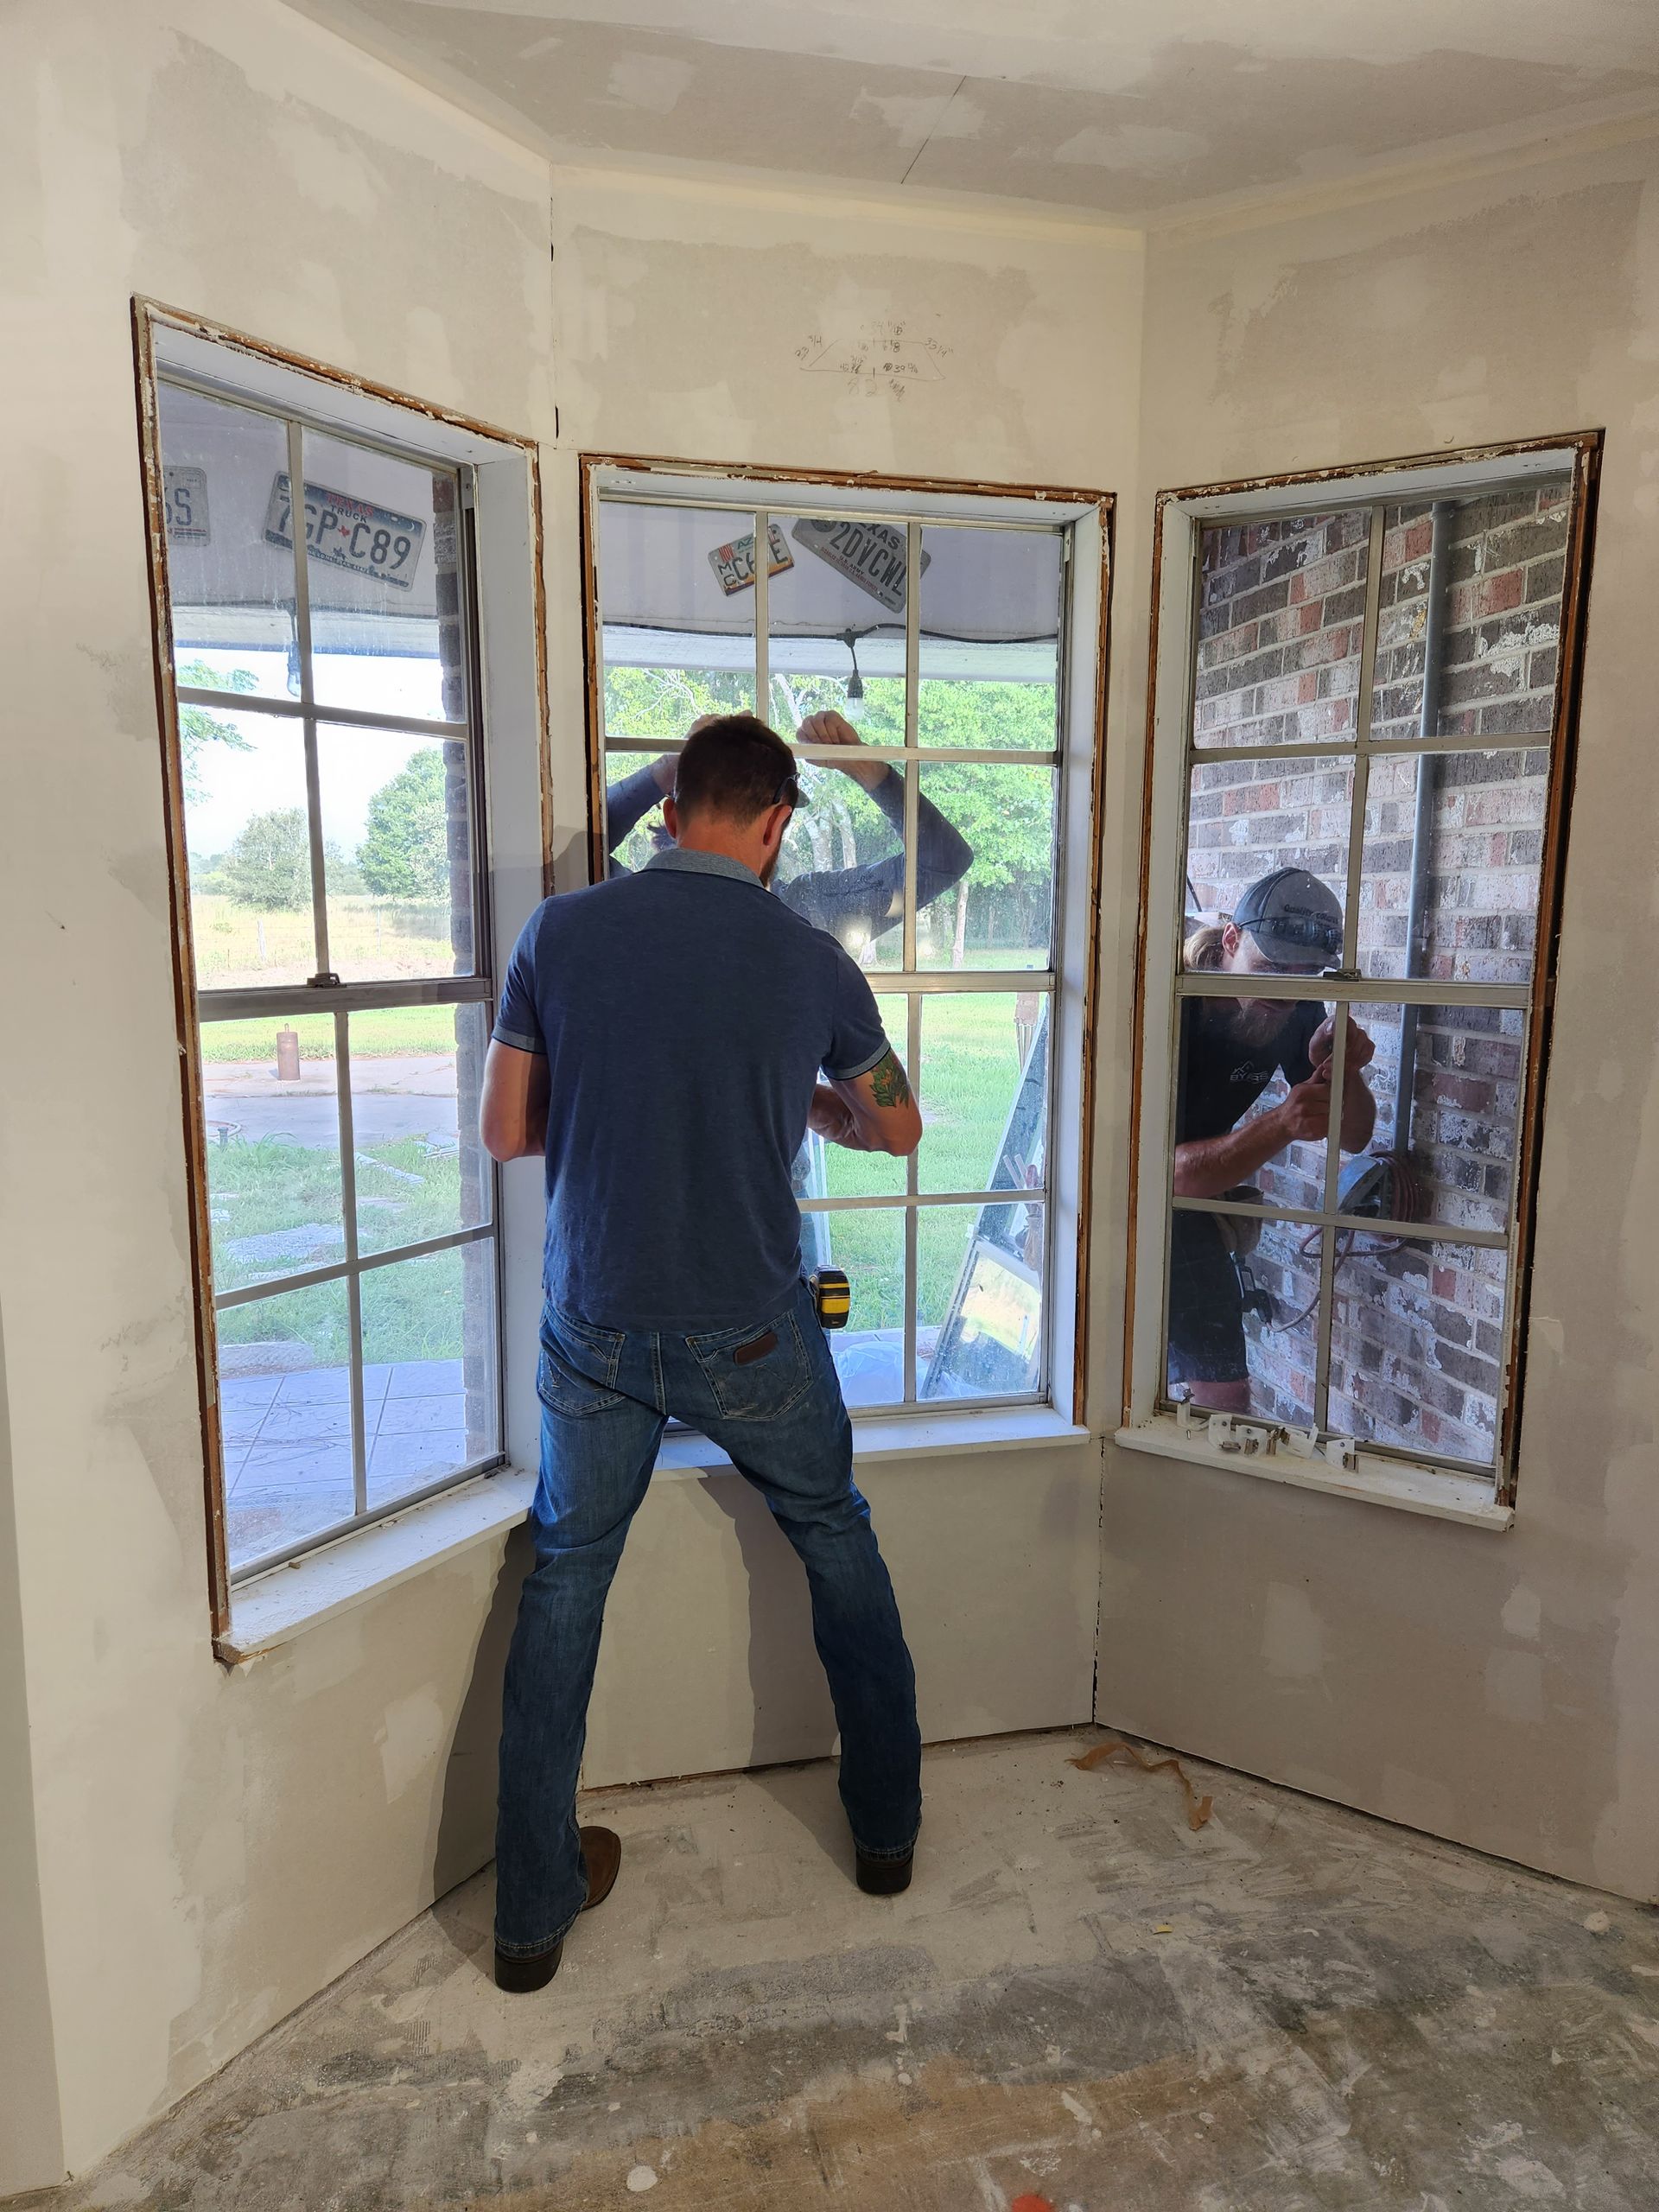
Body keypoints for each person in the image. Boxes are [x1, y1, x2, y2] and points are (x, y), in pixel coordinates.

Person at [479, 712, 926, 1995]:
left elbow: (509, 1134)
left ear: (668, 809)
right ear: (780, 823)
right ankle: (887, 1837)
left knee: (565, 1577)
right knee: (837, 1536)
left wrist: (625, 1085)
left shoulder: (560, 934)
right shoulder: (806, 958)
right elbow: (897, 1129)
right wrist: (817, 1098)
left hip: (597, 1329)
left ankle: (528, 1923)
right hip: (750, 1328)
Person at [1169, 868, 1376, 1414]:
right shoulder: (1170, 1005)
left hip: (1190, 1200)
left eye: (1302, 979)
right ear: (1232, 941)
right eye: (1268, 971)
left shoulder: (1293, 1005)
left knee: (1226, 1398)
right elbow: (1159, 1175)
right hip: (1113, 1188)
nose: (1280, 994)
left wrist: (1343, 1067)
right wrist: (1281, 1124)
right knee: (1125, 1376)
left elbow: (1354, 1135)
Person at [606, 707, 972, 957]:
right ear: (777, 824)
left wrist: (665, 772)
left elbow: (572, 849)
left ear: (671, 819)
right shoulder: (808, 921)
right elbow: (944, 861)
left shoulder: (604, 914)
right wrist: (864, 768)